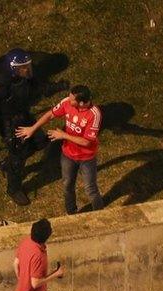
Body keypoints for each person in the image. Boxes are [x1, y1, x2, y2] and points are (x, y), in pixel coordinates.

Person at [15, 85, 104, 214]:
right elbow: (50, 115)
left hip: (87, 158)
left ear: (82, 103)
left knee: (91, 189)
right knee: (67, 185)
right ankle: (71, 213)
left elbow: (86, 141)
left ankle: (100, 213)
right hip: (68, 154)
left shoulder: (94, 114)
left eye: (72, 99)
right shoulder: (67, 102)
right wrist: (32, 128)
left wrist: (63, 135)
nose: (68, 99)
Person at [0, 48, 49, 206]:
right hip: (11, 124)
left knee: (40, 142)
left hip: (24, 116)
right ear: (13, 68)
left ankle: (9, 162)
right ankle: (14, 188)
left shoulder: (24, 78)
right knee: (18, 158)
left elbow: (36, 88)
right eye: (23, 67)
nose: (27, 69)